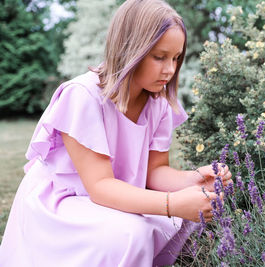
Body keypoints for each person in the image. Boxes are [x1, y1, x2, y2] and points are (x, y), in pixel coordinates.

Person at [0, 0, 232, 266]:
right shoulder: (83, 96)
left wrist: (194, 180)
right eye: (159, 57)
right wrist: (172, 203)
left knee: (180, 222)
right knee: (130, 233)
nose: (169, 69)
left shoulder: (158, 104)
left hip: (111, 196)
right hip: (63, 203)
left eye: (176, 58)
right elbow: (99, 187)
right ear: (130, 49)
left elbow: (154, 173)